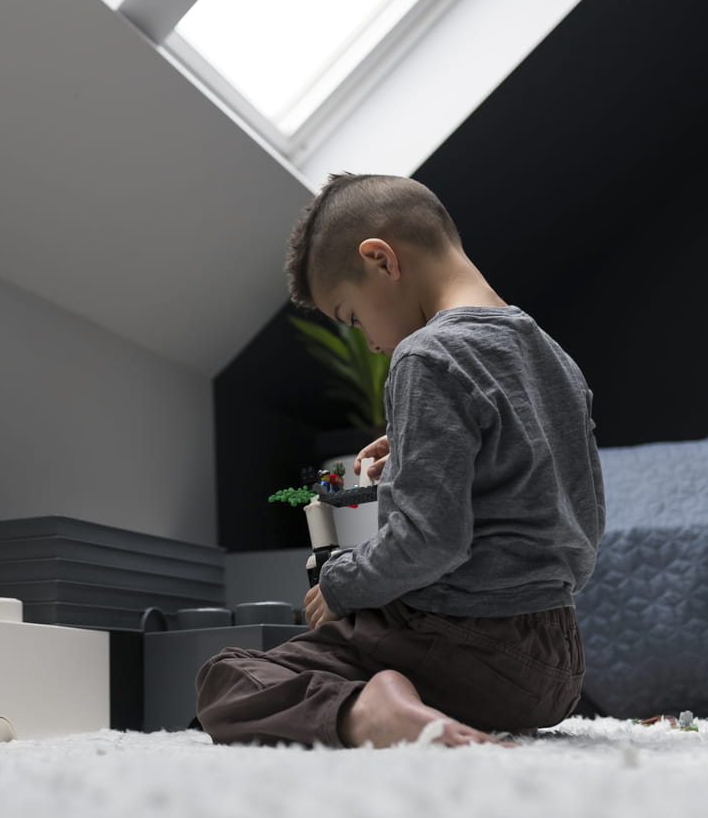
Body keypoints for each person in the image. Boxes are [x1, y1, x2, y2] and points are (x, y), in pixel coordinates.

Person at [196, 173, 604, 748]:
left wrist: (339, 583)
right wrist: (419, 451)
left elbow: (430, 542)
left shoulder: (428, 355)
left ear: (381, 260)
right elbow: (578, 522)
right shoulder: (555, 359)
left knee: (227, 680)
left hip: (463, 647)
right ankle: (403, 703)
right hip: (556, 667)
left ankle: (369, 713)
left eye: (352, 316)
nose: (369, 343)